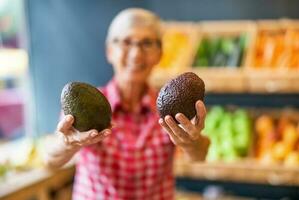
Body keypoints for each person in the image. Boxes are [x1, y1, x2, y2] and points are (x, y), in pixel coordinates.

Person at [44, 8, 210, 200]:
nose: (136, 54)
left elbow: (200, 155)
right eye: (125, 42)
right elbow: (50, 160)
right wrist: (67, 144)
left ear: (159, 53)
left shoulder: (169, 107)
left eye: (147, 43)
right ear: (109, 51)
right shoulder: (87, 105)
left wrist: (192, 142)